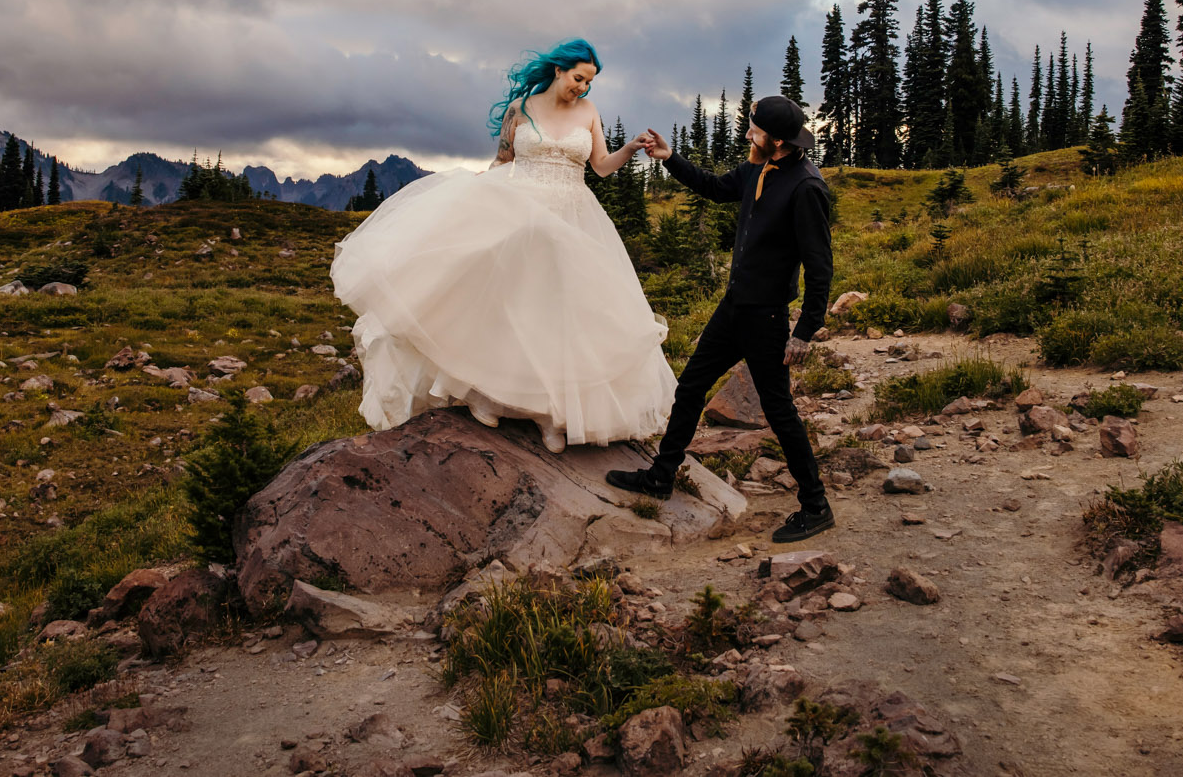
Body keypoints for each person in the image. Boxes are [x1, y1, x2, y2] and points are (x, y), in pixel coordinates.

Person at [330, 39, 676, 453]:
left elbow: (600, 167)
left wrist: (631, 149)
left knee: (561, 313)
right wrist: (478, 196)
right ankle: (489, 395)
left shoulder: (588, 112)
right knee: (511, 305)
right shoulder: (522, 109)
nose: (583, 88)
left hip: (574, 217)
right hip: (522, 213)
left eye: (589, 82)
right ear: (559, 71)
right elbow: (502, 163)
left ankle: (551, 415)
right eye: (578, 78)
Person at [606, 96, 835, 544]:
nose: (748, 135)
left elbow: (819, 264)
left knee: (778, 409)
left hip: (767, 315)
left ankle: (816, 505)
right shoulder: (756, 169)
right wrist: (671, 159)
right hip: (734, 307)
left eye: (754, 130)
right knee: (690, 386)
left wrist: (804, 331)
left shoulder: (806, 186)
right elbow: (714, 188)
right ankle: (661, 476)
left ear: (778, 140)